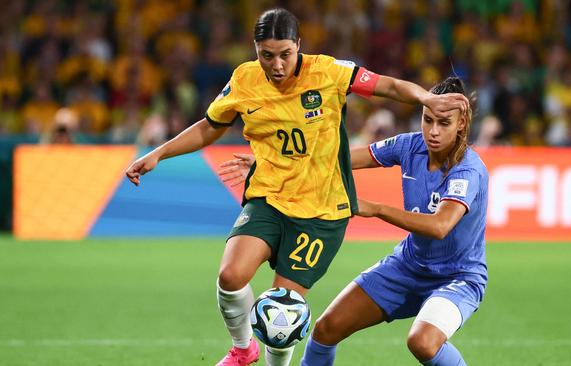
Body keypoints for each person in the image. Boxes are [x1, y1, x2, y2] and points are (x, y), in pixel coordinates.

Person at [125, 8, 469, 366]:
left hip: (321, 212)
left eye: (285, 54)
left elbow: (388, 85)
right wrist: (160, 153)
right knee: (230, 275)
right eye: (267, 55)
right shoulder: (244, 79)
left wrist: (425, 98)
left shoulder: (328, 72)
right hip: (269, 198)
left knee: (282, 312)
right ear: (255, 49)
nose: (276, 65)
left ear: (299, 46)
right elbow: (209, 127)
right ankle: (243, 349)